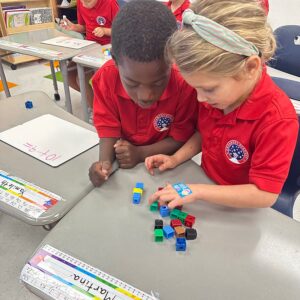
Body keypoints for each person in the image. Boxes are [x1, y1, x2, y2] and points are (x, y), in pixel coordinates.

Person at [145, 0, 299, 209]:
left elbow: (264, 194)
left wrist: (196, 191)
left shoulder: (277, 120)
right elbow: (204, 133)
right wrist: (176, 159)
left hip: (242, 208)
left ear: (251, 67)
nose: (199, 99)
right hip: (208, 192)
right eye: (196, 88)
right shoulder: (216, 97)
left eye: (208, 89)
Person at [89, 0, 198, 187]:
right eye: (132, 83)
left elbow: (181, 137)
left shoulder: (184, 84)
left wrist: (140, 153)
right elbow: (107, 126)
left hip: (166, 168)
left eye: (158, 82)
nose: (146, 95)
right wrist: (105, 163)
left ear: (172, 59)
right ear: (115, 61)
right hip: (125, 168)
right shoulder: (106, 77)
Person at [60, 0, 119, 121]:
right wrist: (74, 27)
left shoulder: (110, 3)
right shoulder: (80, 3)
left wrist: (105, 31)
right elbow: (84, 28)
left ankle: (99, 113)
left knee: (81, 78)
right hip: (89, 47)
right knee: (69, 74)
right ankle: (94, 102)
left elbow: (122, 29)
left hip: (108, 49)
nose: (83, 3)